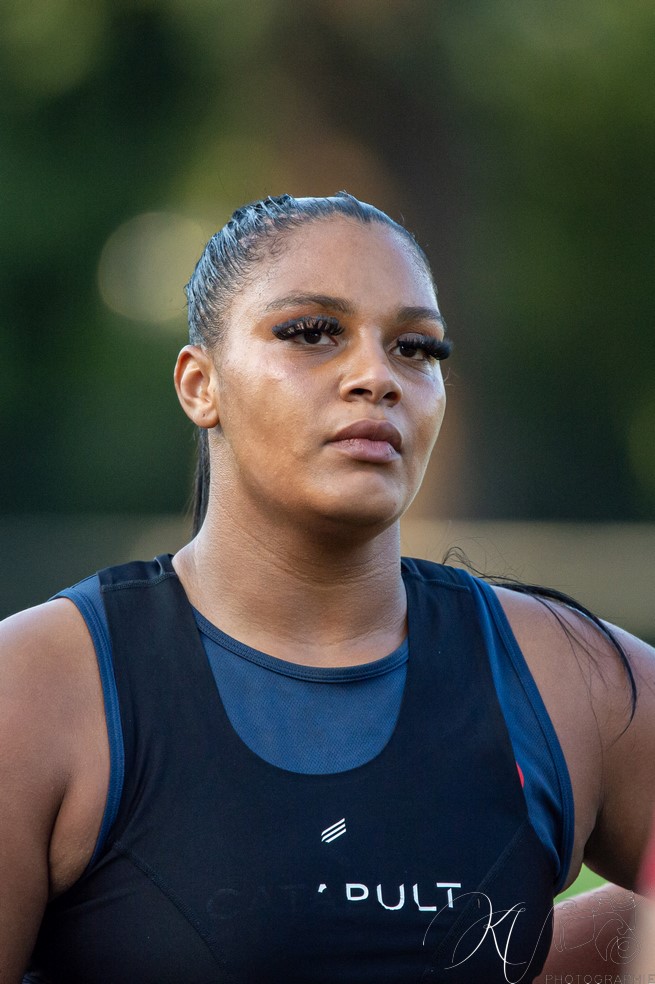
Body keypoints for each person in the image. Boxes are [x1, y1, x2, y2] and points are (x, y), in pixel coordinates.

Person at [1, 192, 654, 984]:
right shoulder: (36, 690)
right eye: (311, 333)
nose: (376, 376)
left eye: (416, 347)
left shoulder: (568, 681)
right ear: (199, 384)